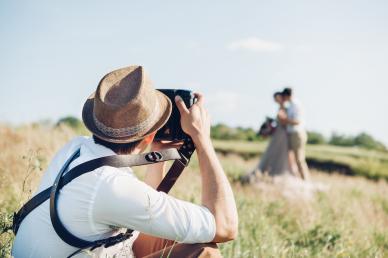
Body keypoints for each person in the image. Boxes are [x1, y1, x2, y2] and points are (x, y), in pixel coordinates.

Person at [12, 66, 238, 257]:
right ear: (148, 136)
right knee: (206, 251)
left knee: (159, 237)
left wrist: (157, 155)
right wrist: (202, 140)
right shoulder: (110, 185)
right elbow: (225, 227)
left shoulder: (77, 147)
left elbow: (139, 209)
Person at [243, 92, 292, 182]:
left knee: (279, 151)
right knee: (273, 151)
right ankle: (268, 170)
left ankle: (277, 171)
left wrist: (279, 120)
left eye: (278, 98)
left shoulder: (285, 107)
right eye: (275, 99)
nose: (276, 100)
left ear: (282, 97)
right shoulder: (281, 107)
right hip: (278, 132)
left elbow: (285, 121)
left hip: (282, 133)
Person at [279, 87, 310, 180]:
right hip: (292, 134)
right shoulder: (291, 105)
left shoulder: (296, 105)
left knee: (299, 159)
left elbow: (297, 121)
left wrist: (285, 120)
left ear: (287, 96)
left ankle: (305, 180)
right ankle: (297, 178)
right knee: (291, 159)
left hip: (297, 134)